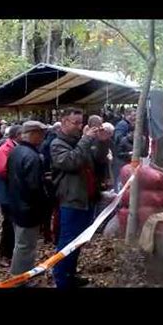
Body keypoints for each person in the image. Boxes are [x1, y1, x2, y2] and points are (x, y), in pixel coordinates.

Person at [51, 108, 110, 288]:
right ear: (63, 122)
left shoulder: (80, 141)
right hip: (71, 201)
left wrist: (102, 142)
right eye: (74, 123)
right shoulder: (57, 144)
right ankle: (61, 280)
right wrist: (86, 140)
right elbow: (71, 162)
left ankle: (70, 275)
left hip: (87, 199)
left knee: (78, 241)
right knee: (67, 242)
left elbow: (98, 159)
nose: (79, 126)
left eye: (80, 122)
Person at [6, 121, 49, 278]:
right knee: (25, 246)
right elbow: (34, 187)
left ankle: (22, 273)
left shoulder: (15, 151)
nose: (44, 137)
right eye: (41, 133)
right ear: (33, 134)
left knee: (21, 244)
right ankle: (20, 278)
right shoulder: (32, 155)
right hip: (28, 209)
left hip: (16, 204)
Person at [0, 125, 23, 268]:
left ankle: (10, 253)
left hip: (12, 192)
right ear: (17, 135)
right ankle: (4, 255)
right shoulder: (5, 149)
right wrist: (16, 176)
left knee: (12, 223)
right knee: (8, 225)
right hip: (6, 194)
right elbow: (0, 169)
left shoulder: (14, 147)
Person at [112, 107, 136, 191]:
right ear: (127, 115)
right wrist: (128, 139)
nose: (135, 117)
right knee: (119, 178)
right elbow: (117, 138)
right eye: (133, 115)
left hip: (127, 156)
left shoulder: (131, 125)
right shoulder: (122, 124)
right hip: (120, 157)